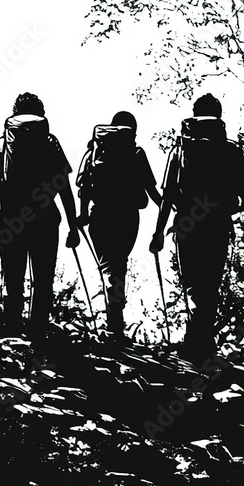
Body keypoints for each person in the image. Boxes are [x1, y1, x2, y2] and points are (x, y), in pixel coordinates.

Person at [149, 94, 244, 361]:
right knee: (210, 285)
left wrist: (159, 232)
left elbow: (168, 195)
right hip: (217, 225)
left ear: (194, 114)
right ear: (219, 115)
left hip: (187, 225)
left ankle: (194, 343)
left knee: (193, 286)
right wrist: (229, 208)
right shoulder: (230, 150)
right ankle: (203, 342)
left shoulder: (181, 149)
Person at [0, 92, 80, 337]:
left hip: (11, 219)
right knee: (43, 281)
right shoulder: (50, 142)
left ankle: (12, 329)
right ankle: (37, 331)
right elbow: (63, 187)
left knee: (13, 278)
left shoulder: (3, 144)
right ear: (41, 115)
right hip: (45, 220)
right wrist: (73, 226)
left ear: (14, 114)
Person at [76, 110, 161, 344]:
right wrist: (171, 209)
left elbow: (83, 186)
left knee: (108, 269)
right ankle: (115, 324)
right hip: (127, 217)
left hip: (100, 216)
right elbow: (152, 190)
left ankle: (113, 324)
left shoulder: (95, 151)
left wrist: (83, 215)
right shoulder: (136, 153)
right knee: (118, 267)